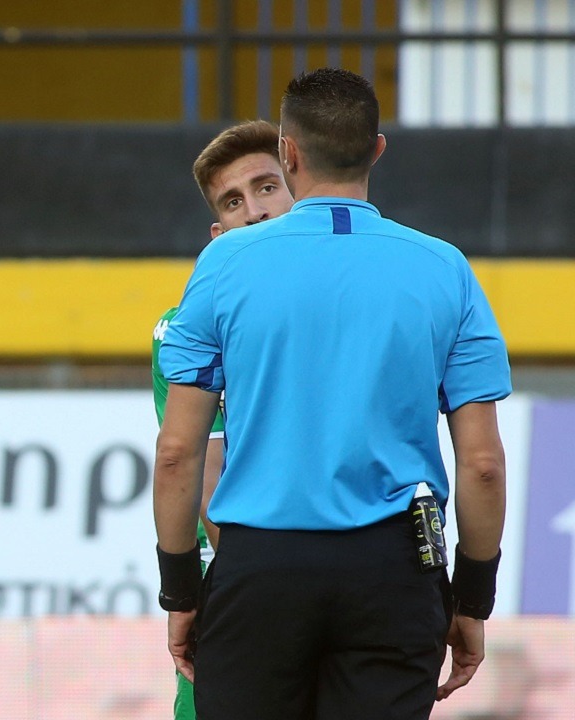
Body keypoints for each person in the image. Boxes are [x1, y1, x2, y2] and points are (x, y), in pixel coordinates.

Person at [155, 68, 510, 720]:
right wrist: (472, 599)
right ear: (376, 149)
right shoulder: (446, 269)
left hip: (261, 567)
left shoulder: (225, 264)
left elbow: (179, 452)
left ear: (288, 153)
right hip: (397, 569)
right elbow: (483, 463)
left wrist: (180, 592)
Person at [150, 119, 293, 720]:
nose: (254, 212)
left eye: (267, 187)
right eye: (233, 202)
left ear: (303, 190)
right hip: (241, 583)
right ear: (217, 235)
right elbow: (199, 471)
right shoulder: (185, 326)